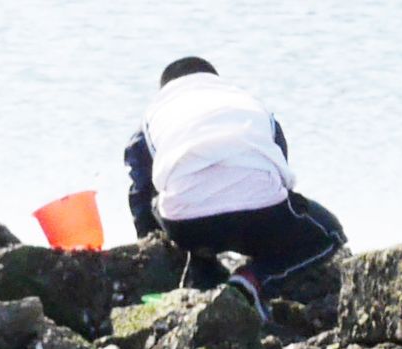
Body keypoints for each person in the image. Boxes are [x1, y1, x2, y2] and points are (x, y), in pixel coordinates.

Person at [125, 55, 346, 310]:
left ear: (165, 88)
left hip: (188, 227)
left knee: (164, 199)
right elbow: (281, 176)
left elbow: (140, 188)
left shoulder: (154, 116)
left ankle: (202, 270)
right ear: (213, 79)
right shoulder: (248, 104)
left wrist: (152, 248)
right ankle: (253, 279)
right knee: (331, 234)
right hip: (259, 216)